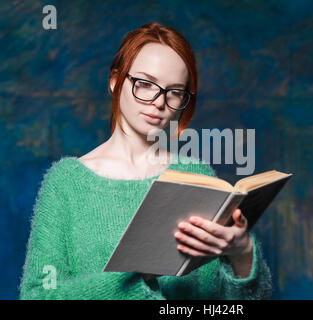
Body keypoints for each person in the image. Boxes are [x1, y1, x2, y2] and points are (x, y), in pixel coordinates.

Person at [19, 22, 272, 300]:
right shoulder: (66, 184)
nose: (158, 102)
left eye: (174, 91)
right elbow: (38, 295)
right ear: (115, 81)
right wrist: (137, 276)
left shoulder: (197, 175)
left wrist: (242, 253)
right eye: (145, 84)